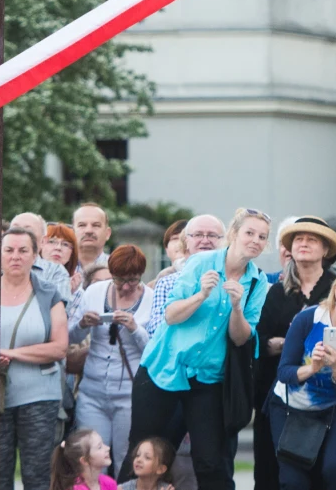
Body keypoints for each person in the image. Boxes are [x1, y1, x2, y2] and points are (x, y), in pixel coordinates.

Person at [119, 208, 272, 489]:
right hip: (163, 369)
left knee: (211, 462)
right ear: (234, 234)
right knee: (142, 454)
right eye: (249, 233)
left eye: (262, 237)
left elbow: (241, 338)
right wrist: (201, 295)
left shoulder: (257, 281)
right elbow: (170, 315)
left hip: (208, 378)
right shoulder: (201, 262)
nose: (255, 240)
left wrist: (237, 307)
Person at [268, 266, 336, 490]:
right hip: (290, 405)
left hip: (334, 409)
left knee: (335, 469)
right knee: (293, 481)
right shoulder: (308, 318)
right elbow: (284, 372)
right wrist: (312, 368)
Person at [254, 217, 336, 490]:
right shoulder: (276, 292)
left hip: (324, 395)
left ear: (325, 250)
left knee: (318, 471)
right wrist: (288, 342)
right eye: (298, 239)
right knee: (272, 470)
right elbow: (260, 340)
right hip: (277, 391)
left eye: (312, 239)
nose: (303, 244)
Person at [72, 245, 155, 476]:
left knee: (125, 458)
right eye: (120, 280)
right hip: (92, 391)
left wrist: (134, 328)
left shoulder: (151, 298)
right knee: (91, 458)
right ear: (111, 273)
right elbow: (69, 337)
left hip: (129, 394)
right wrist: (82, 324)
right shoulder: (94, 292)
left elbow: (154, 349)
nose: (127, 286)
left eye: (134, 280)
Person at [0, 227, 69, 490]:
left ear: (34, 255)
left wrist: (12, 353)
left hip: (39, 395)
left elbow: (59, 348)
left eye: (22, 250)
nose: (15, 256)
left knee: (37, 473)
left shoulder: (48, 293)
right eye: (9, 250)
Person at [146, 215, 227, 336]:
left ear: (224, 241)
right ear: (186, 241)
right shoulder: (167, 282)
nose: (205, 240)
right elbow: (155, 330)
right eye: (198, 235)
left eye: (212, 235)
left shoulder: (232, 280)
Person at [13, 212, 73, 306]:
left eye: (28, 230)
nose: (18, 234)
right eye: (14, 229)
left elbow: (59, 313)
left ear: (42, 241)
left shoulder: (56, 271)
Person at [49, 428, 116, 490]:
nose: (108, 448)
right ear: (84, 460)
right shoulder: (75, 488)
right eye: (99, 447)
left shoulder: (109, 483)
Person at [45, 223, 82, 293]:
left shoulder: (77, 291)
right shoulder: (26, 278)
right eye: (51, 241)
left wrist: (69, 293)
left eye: (65, 244)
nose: (58, 248)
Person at [75, 204, 112, 271]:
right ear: (72, 232)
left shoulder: (118, 269)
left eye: (96, 225)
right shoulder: (59, 267)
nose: (88, 231)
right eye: (82, 225)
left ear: (107, 233)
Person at [152, 220, 189, 285]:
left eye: (184, 238)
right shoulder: (158, 282)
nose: (180, 243)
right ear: (166, 249)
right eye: (175, 238)